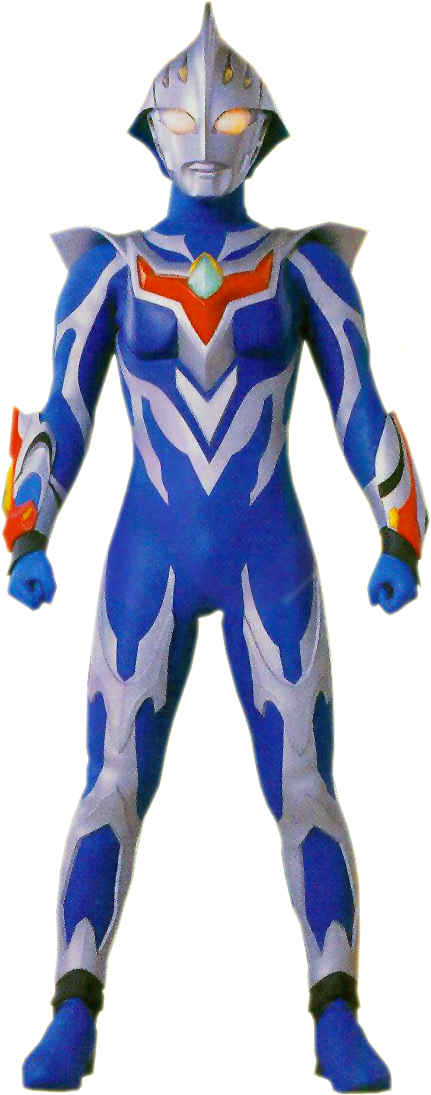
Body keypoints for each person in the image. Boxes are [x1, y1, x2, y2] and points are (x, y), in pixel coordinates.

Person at [4, 5, 426, 1091]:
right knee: (110, 780)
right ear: (149, 132)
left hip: (265, 553)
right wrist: (31, 527)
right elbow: (62, 411)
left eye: (229, 119)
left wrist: (396, 531)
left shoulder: (303, 268)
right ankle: (72, 1009)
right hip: (147, 554)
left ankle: (335, 1015)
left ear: (262, 133)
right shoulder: (108, 269)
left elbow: (358, 405)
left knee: (303, 783)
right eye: (187, 119)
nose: (204, 135)